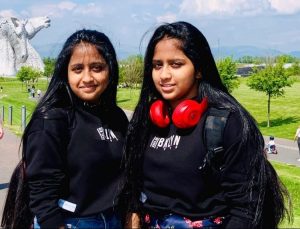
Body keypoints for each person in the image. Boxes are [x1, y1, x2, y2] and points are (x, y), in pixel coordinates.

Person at [119, 21, 291, 228]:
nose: (164, 75)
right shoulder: (146, 121)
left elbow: (246, 209)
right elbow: (135, 189)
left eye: (176, 64)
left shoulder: (227, 123)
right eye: (157, 65)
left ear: (199, 70)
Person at [2, 29, 128, 228]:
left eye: (97, 68)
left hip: (113, 219)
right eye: (77, 69)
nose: (87, 78)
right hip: (71, 222)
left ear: (110, 70)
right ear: (65, 72)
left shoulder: (117, 117)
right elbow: (42, 192)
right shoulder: (52, 119)